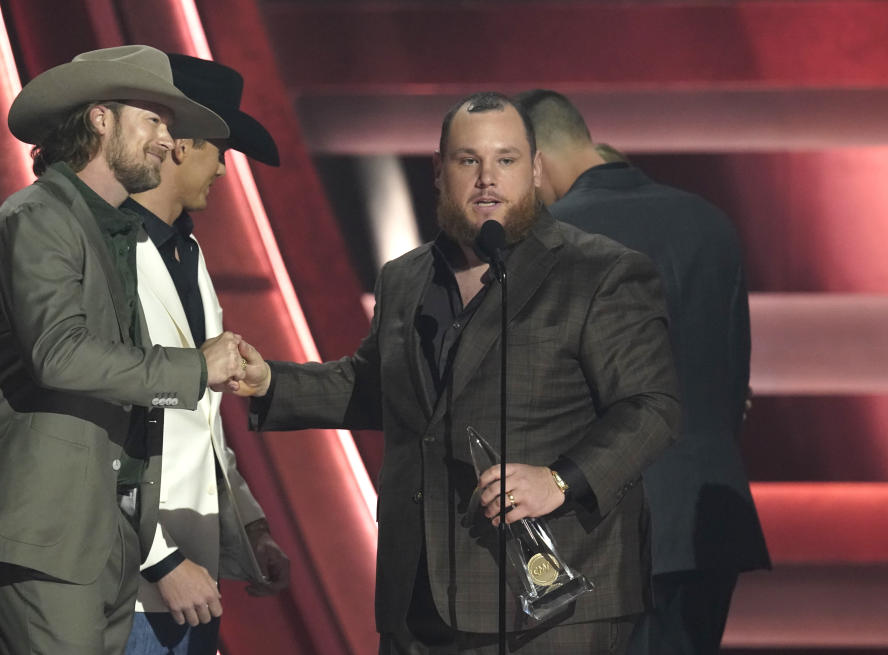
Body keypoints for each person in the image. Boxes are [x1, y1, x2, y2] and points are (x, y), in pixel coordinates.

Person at [238, 92, 680, 653]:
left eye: (507, 159)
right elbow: (376, 388)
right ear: (439, 171)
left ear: (537, 168)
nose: (487, 179)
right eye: (468, 160)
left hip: (553, 604)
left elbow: (652, 407)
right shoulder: (405, 278)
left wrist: (560, 480)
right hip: (417, 601)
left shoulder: (599, 271)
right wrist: (271, 383)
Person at [0, 45, 251, 654]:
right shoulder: (38, 218)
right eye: (153, 119)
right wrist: (194, 367)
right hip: (39, 529)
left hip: (104, 538)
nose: (167, 139)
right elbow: (59, 354)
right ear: (101, 119)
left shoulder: (114, 232)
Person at [517, 89, 770, 654]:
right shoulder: (710, 222)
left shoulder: (550, 241)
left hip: (603, 531)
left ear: (536, 161)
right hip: (710, 522)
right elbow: (734, 388)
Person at [121, 54, 289, 654]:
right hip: (128, 583)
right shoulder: (105, 253)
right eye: (220, 148)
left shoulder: (187, 253)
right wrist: (159, 560)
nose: (224, 167)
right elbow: (94, 424)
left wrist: (248, 523)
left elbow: (200, 424)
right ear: (178, 144)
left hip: (191, 575)